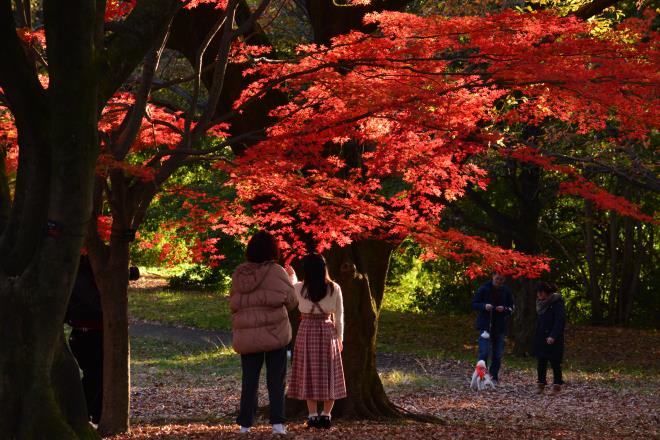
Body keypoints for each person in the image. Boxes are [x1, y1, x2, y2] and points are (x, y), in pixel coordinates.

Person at [229, 231, 298, 435]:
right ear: (272, 250)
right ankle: (278, 424)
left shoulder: (239, 273)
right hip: (275, 333)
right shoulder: (277, 271)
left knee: (249, 379)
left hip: (248, 335)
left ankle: (245, 425)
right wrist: (292, 281)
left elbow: (233, 303)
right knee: (276, 380)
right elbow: (292, 302)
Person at [287, 253, 346, 429]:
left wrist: (292, 276)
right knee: (330, 374)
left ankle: (312, 416)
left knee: (308, 372)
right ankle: (326, 415)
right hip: (328, 332)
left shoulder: (299, 288)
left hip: (306, 331)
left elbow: (291, 288)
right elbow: (340, 316)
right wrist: (340, 338)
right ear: (323, 268)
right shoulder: (334, 288)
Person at [65, 255, 104, 424]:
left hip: (88, 333)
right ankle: (83, 411)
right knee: (95, 375)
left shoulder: (80, 276)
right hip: (87, 333)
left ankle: (94, 413)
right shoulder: (83, 279)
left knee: (98, 375)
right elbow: (94, 304)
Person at [471, 272, 514, 383]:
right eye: (497, 278)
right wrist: (484, 306)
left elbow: (512, 308)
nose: (498, 281)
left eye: (501, 279)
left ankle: (493, 376)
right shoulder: (484, 288)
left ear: (503, 280)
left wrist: (504, 309)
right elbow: (474, 304)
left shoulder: (506, 291)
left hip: (500, 327)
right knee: (484, 352)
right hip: (485, 326)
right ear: (493, 276)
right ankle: (481, 376)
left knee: (497, 354)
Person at [533, 281, 565, 394]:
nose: (539, 294)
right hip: (541, 335)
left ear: (546, 292)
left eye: (541, 292)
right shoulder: (540, 303)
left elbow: (560, 320)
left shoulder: (557, 301)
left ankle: (557, 385)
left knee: (555, 361)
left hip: (553, 336)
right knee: (541, 361)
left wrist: (553, 335)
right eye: (538, 292)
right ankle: (540, 384)